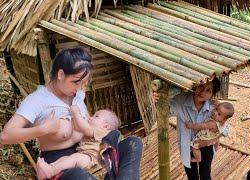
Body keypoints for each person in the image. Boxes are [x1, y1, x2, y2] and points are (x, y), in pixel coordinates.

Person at [0, 48, 143, 180]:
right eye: (76, 82)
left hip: (88, 154)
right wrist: (43, 129)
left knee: (133, 143)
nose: (80, 88)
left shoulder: (78, 94)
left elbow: (88, 126)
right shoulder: (37, 100)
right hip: (60, 163)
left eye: (83, 84)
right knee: (78, 175)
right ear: (61, 74)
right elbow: (5, 136)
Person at [153, 77, 228, 180]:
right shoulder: (180, 100)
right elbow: (166, 111)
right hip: (187, 146)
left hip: (206, 148)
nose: (202, 92)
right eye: (201, 86)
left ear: (212, 95)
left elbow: (225, 130)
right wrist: (159, 101)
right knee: (191, 177)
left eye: (208, 90)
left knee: (205, 176)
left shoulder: (213, 108)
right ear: (196, 84)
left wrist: (210, 140)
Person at [37, 107, 122, 180]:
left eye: (96, 116)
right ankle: (50, 168)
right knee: (67, 158)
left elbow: (84, 128)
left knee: (74, 158)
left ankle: (51, 171)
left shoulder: (102, 132)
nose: (90, 117)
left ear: (105, 126)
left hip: (92, 159)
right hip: (87, 157)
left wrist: (75, 113)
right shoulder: (97, 131)